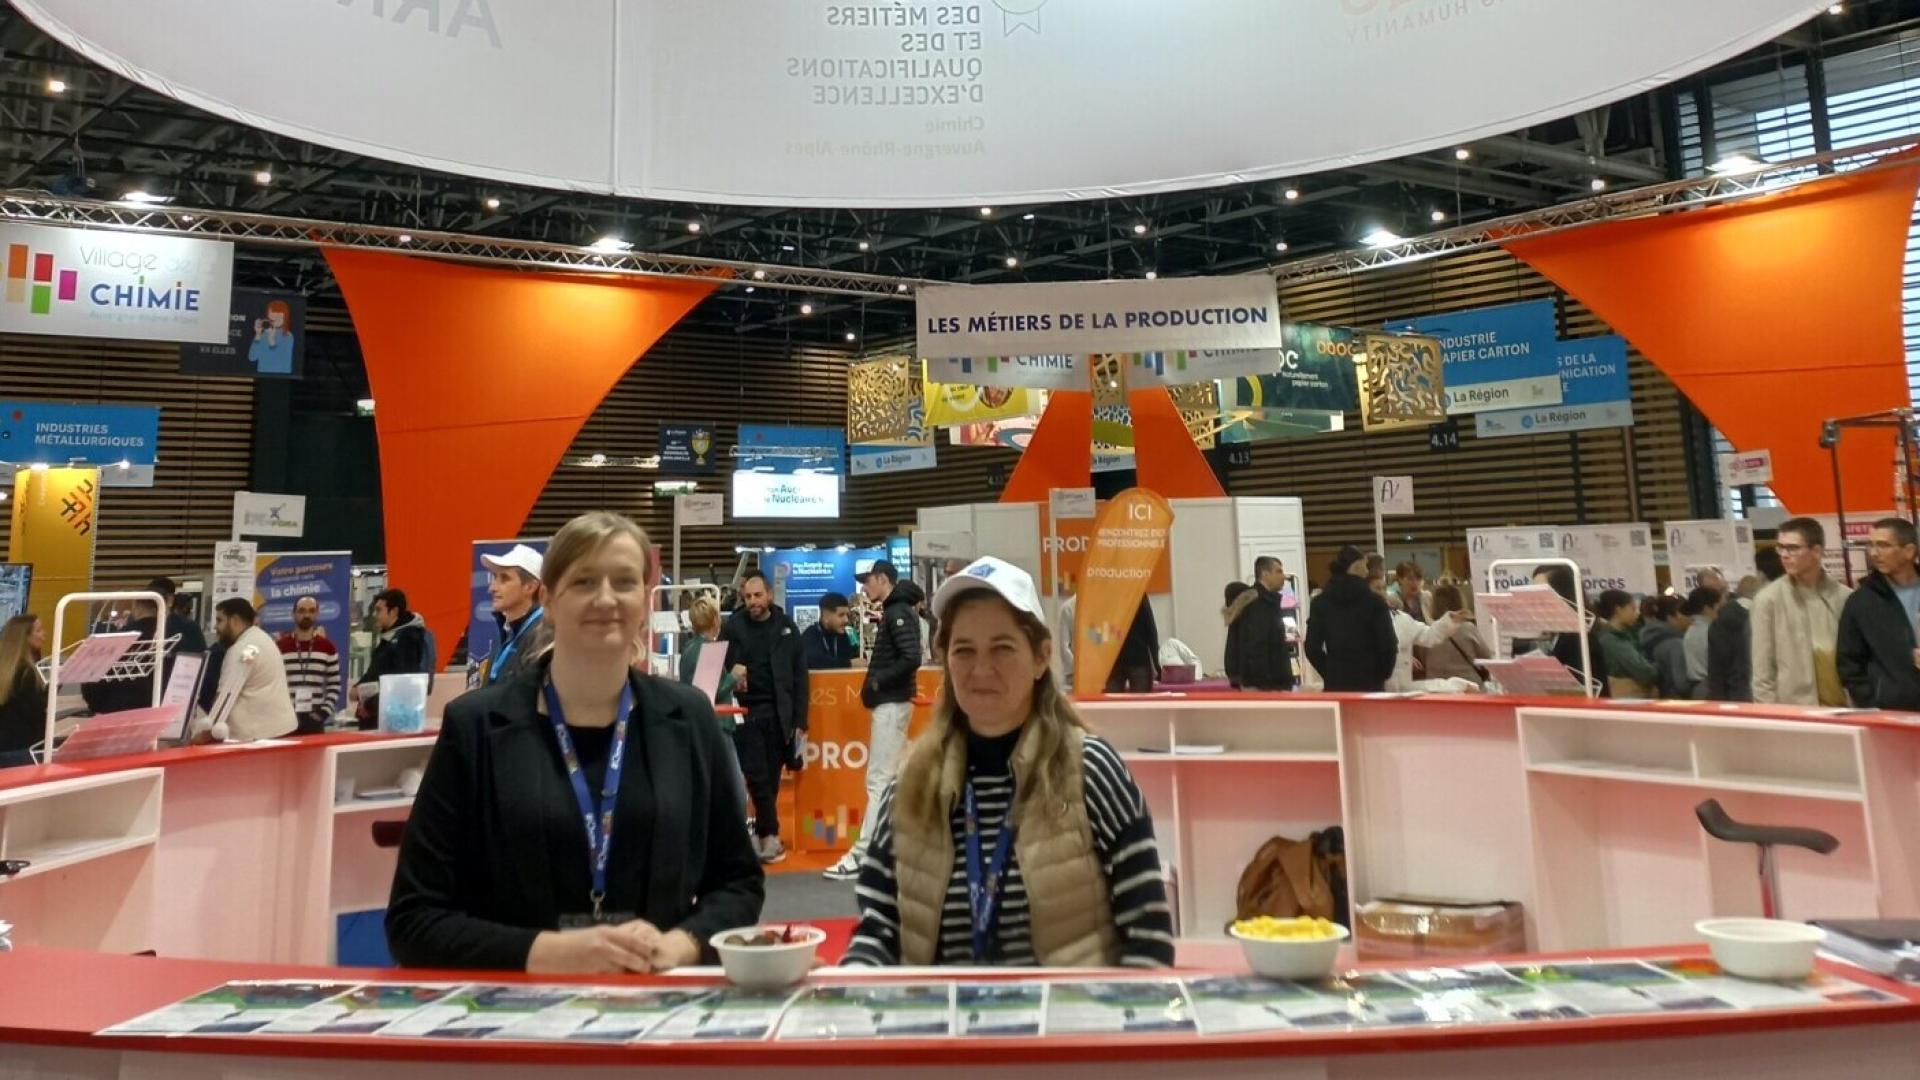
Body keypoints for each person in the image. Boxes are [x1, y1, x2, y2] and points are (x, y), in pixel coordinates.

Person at [387, 511, 763, 973]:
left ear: (644, 601)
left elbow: (738, 883)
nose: (606, 598)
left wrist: (683, 945)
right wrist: (550, 953)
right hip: (520, 1006)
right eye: (584, 582)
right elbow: (413, 918)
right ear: (547, 599)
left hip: (657, 997)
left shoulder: (688, 720)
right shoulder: (476, 727)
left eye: (624, 582)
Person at [842, 556, 1174, 968]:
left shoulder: (1091, 771)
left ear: (1041, 657)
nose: (981, 669)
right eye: (964, 650)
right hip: (939, 1011)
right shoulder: (910, 784)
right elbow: (878, 933)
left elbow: (1148, 942)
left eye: (1002, 648)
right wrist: (853, 983)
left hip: (1072, 1010)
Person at [829, 561, 924, 881]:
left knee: (879, 780)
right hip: (893, 703)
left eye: (868, 580)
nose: (864, 587)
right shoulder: (899, 610)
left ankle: (864, 854)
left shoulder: (897, 612)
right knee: (889, 779)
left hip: (891, 704)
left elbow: (911, 657)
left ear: (883, 579)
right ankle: (887, 851)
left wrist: (877, 682)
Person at [720, 571, 810, 865]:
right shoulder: (733, 628)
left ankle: (762, 835)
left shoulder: (787, 628)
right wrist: (732, 677)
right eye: (747, 597)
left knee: (770, 779)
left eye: (757, 595)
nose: (752, 601)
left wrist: (800, 720)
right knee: (757, 776)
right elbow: (718, 667)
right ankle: (770, 834)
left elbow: (800, 677)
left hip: (779, 715)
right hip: (744, 713)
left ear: (769, 595)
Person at [1752, 517, 1851, 706]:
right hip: (1794, 709)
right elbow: (1762, 672)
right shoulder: (1768, 600)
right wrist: (1770, 714)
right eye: (1780, 548)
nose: (1784, 555)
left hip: (1844, 708)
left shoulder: (1844, 597)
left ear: (1816, 551)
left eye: (1793, 548)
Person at [81, 577, 207, 715]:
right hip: (164, 714)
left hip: (117, 712)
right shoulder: (179, 638)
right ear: (165, 607)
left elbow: (92, 687)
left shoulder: (117, 639)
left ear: (136, 606)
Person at [1837, 517, 1920, 711]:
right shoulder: (1860, 602)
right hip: (1892, 712)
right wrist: (1873, 703)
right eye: (1871, 545)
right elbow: (1849, 663)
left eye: (1883, 545)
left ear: (1909, 551)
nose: (1874, 553)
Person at [194, 599, 297, 743]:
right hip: (280, 729)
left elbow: (224, 698)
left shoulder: (241, 649)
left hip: (257, 737)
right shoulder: (263, 638)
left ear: (234, 620)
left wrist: (202, 737)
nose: (216, 627)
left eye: (220, 620)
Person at [1305, 545, 1396, 692]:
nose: (1367, 571)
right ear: (1356, 566)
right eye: (1365, 565)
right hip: (1370, 684)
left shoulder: (1319, 603)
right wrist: (1380, 675)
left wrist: (1330, 672)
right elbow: (1388, 645)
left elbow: (1311, 648)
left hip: (1336, 684)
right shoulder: (1374, 602)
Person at [1371, 555, 1464, 690]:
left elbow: (1428, 635)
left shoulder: (1402, 618)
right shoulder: (1359, 620)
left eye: (1383, 588)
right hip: (1373, 687)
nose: (1381, 593)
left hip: (1403, 683)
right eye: (1376, 589)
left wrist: (1449, 620)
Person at [1707, 549, 1781, 702]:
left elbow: (1718, 670)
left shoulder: (1726, 619)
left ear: (1760, 574)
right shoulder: (1792, 607)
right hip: (1784, 697)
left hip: (1741, 696)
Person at [353, 588, 431, 729]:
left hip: (394, 718)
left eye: (379, 610)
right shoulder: (388, 638)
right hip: (377, 714)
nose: (375, 615)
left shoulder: (408, 639)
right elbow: (376, 670)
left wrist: (370, 706)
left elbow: (401, 682)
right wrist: (358, 687)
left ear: (393, 611)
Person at [478, 544, 549, 688]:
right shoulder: (505, 634)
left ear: (530, 587)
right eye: (495, 577)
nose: (492, 588)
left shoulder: (543, 638)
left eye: (504, 579)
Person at [1531, 565, 1610, 694]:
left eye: (1541, 593)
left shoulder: (1577, 637)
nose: (1535, 601)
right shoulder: (1558, 635)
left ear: (1563, 594)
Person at [1224, 558, 1294, 691]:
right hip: (1264, 685)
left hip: (1270, 682)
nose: (1283, 576)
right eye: (1278, 571)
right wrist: (1267, 683)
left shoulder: (1268, 602)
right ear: (1265, 574)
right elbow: (1256, 645)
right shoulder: (1258, 604)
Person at [277, 595, 341, 735]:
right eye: (302, 610)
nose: (307, 615)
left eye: (311, 611)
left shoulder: (327, 647)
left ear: (317, 613)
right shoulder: (280, 647)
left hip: (315, 720)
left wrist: (323, 713)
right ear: (294, 614)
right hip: (285, 720)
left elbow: (335, 685)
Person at [0, 615, 48, 764]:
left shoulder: (7, 670)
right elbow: (36, 713)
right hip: (25, 749)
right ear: (24, 637)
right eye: (38, 630)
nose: (44, 635)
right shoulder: (27, 673)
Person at [1421, 584, 1490, 686]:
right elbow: (1486, 656)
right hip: (1468, 685)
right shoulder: (1468, 628)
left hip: (1436, 687)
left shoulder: (1426, 631)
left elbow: (1422, 660)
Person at [1593, 590, 1658, 697]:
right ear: (1618, 610)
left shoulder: (1618, 635)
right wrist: (1658, 666)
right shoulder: (1612, 640)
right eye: (1633, 609)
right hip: (1627, 698)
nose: (1637, 613)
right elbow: (1645, 671)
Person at [677, 596, 736, 706]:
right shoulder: (709, 650)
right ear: (715, 620)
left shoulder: (688, 647)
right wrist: (733, 677)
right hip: (712, 714)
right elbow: (708, 694)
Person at [1638, 594, 1696, 700]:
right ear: (1671, 617)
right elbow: (1682, 684)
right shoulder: (1675, 644)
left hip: (1655, 700)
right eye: (1686, 613)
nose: (1691, 617)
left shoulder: (1647, 637)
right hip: (1676, 702)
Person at [1105, 600, 1161, 693]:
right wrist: (1156, 663)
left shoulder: (1107, 596)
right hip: (1138, 657)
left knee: (1112, 700)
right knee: (1141, 700)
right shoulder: (1138, 595)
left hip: (1114, 659)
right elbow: (1151, 630)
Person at [1680, 586, 1724, 700]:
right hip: (1712, 689)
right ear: (1706, 608)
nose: (1720, 610)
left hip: (1695, 689)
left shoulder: (1689, 632)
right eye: (1718, 606)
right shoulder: (1712, 632)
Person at [802, 592, 859, 670]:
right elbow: (814, 661)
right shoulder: (811, 635)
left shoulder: (844, 635)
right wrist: (849, 664)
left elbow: (855, 657)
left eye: (847, 615)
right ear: (826, 617)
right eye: (841, 615)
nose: (846, 620)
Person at [247, 298, 297, 375]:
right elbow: (252, 357)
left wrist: (271, 339)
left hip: (281, 375)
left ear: (285, 316)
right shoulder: (264, 334)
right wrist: (258, 334)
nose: (275, 316)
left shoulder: (288, 336)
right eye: (272, 313)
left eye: (279, 314)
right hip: (262, 374)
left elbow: (277, 361)